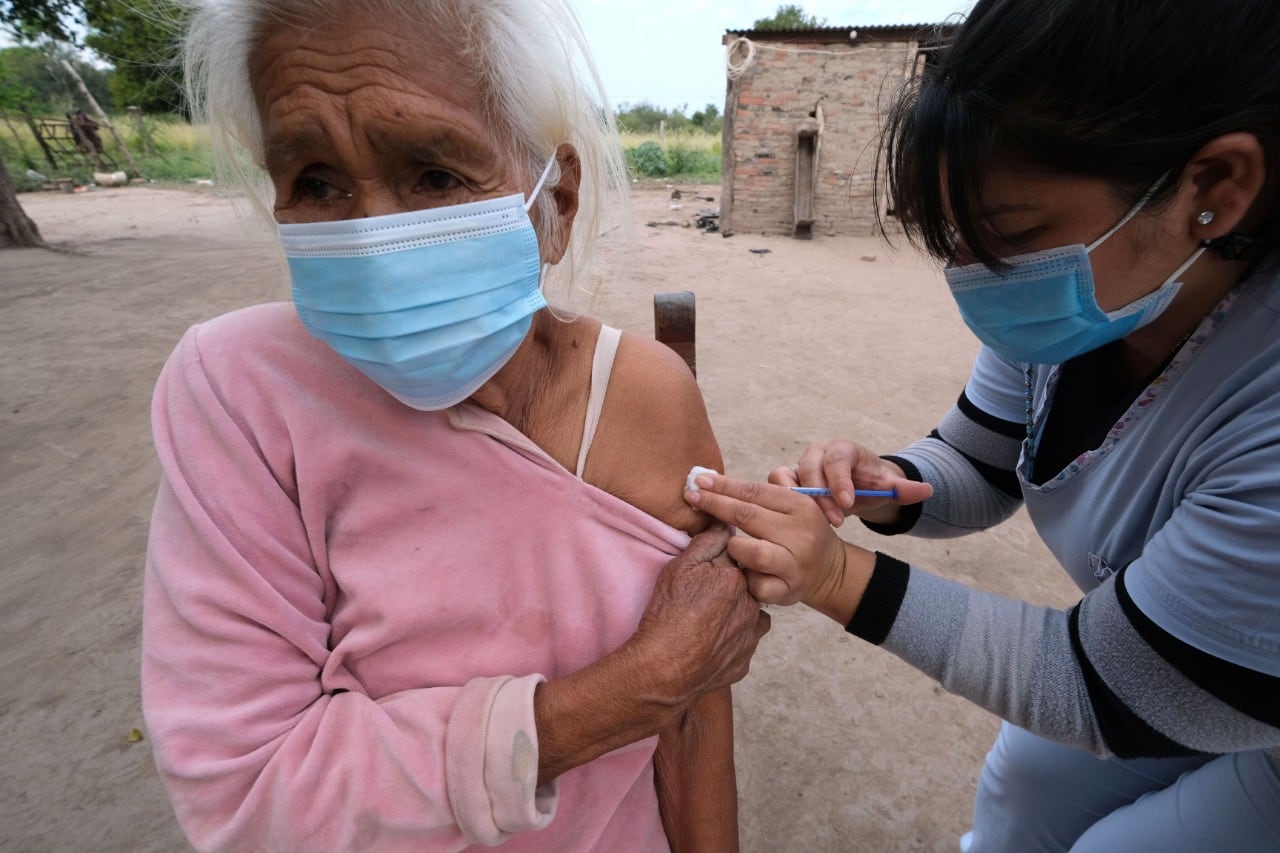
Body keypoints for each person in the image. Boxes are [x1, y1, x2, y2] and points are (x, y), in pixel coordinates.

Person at [140, 1, 769, 850]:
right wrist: (630, 690)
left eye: (434, 175)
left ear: (557, 203)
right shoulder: (237, 395)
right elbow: (247, 792)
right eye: (317, 182)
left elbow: (698, 707)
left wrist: (678, 685)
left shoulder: (648, 397)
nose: (372, 236)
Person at [685, 0, 1280, 850]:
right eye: (952, 239)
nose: (974, 276)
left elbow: (1099, 688)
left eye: (1007, 234)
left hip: (1226, 687)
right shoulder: (1085, 301)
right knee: (1021, 782)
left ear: (1216, 186)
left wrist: (835, 576)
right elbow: (979, 460)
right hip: (1177, 667)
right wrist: (883, 486)